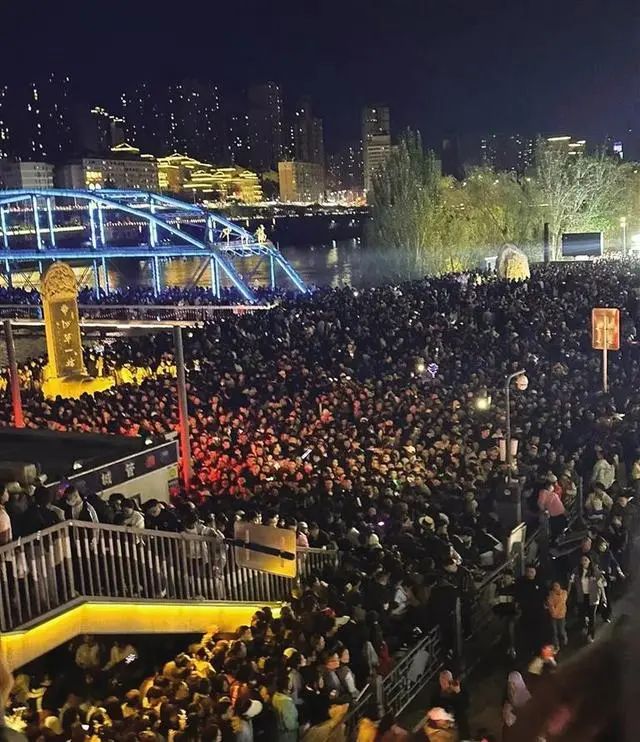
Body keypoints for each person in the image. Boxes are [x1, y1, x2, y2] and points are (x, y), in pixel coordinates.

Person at [569, 555, 605, 642]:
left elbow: (601, 585)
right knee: (581, 614)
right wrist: (568, 592)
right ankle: (584, 624)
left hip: (593, 596)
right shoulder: (577, 571)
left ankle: (591, 634)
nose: (584, 562)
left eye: (586, 560)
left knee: (592, 616)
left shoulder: (595, 571)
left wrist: (604, 597)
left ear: (589, 561)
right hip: (582, 596)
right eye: (582, 560)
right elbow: (571, 581)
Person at [502, 671, 531, 741]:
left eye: (513, 683)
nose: (512, 686)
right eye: (510, 684)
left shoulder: (526, 696)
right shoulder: (509, 700)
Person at [271, 674, 298, 742]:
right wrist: (297, 724)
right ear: (284, 689)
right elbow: (290, 724)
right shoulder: (286, 702)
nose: (291, 686)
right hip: (288, 736)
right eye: (289, 685)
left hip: (280, 733)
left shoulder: (275, 697)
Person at [545, 582, 568, 650]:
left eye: (557, 585)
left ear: (560, 586)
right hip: (553, 616)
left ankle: (564, 642)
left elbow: (561, 602)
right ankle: (556, 645)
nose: (556, 587)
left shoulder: (564, 593)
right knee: (554, 631)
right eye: (554, 586)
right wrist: (553, 612)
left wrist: (555, 610)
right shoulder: (551, 594)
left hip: (561, 615)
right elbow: (550, 604)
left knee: (561, 631)